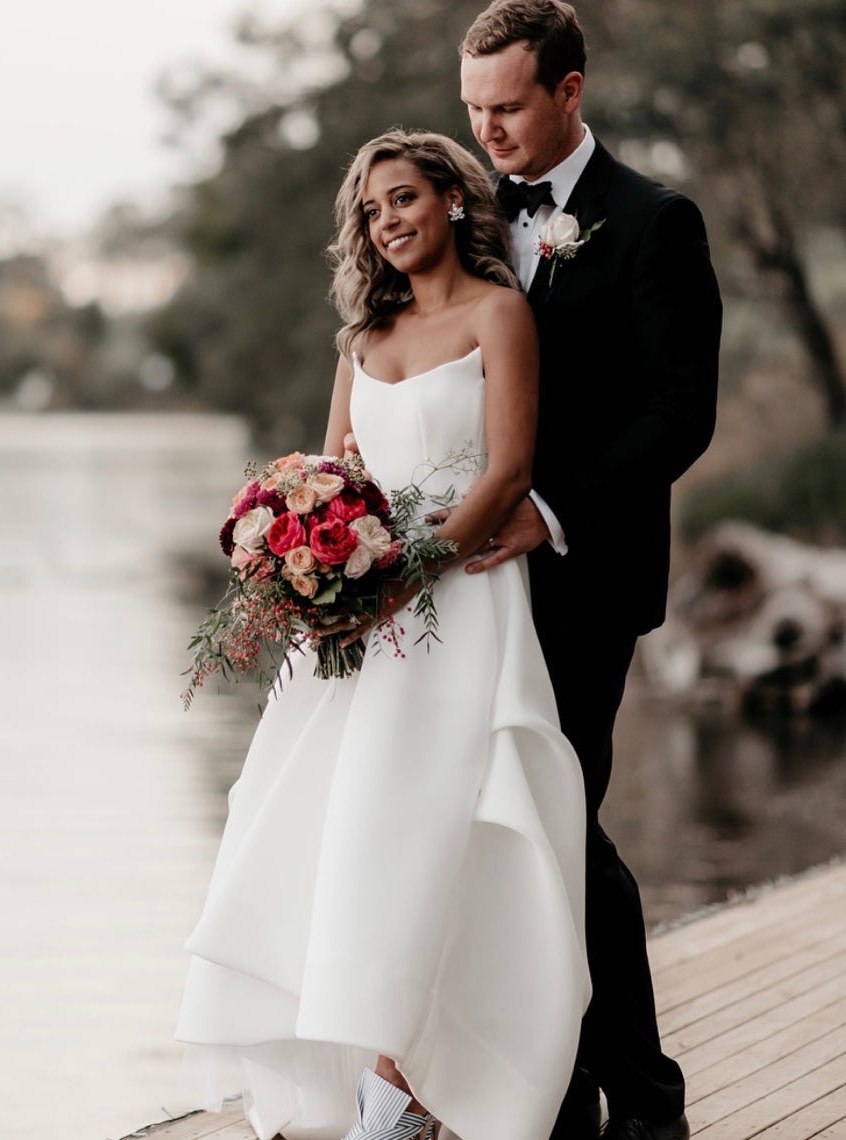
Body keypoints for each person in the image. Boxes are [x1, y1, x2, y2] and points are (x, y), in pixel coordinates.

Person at [176, 130, 592, 1140]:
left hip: (462, 606)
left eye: (403, 198)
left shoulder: (501, 315)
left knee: (443, 839)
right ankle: (382, 1076)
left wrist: (412, 573)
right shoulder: (359, 340)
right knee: (345, 837)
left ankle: (413, 1085)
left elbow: (503, 470)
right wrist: (301, 562)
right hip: (361, 626)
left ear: (452, 198)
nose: (387, 220)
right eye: (370, 210)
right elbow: (335, 475)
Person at [458, 4, 723, 1139]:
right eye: (471, 110)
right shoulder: (465, 214)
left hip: (585, 570)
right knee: (498, 828)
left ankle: (643, 1100)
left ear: (569, 90)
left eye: (507, 106)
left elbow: (681, 413)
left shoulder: (656, 221)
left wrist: (551, 513)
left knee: (560, 824)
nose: (488, 131)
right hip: (468, 590)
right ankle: (554, 1090)